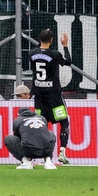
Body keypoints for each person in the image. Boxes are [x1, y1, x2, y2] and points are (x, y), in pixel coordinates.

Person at [28, 30, 72, 164]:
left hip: (39, 97)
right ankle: (62, 152)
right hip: (54, 96)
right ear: (52, 40)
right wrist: (65, 45)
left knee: (41, 125)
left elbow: (38, 51)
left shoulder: (32, 54)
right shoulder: (55, 54)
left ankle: (42, 155)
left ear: (39, 39)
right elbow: (68, 62)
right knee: (64, 121)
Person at [9, 85, 57, 169]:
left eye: (20, 96)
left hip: (29, 150)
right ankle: (48, 160)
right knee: (50, 134)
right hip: (46, 150)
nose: (19, 99)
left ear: (27, 94)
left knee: (9, 139)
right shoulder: (41, 118)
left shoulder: (18, 120)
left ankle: (26, 162)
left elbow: (18, 137)